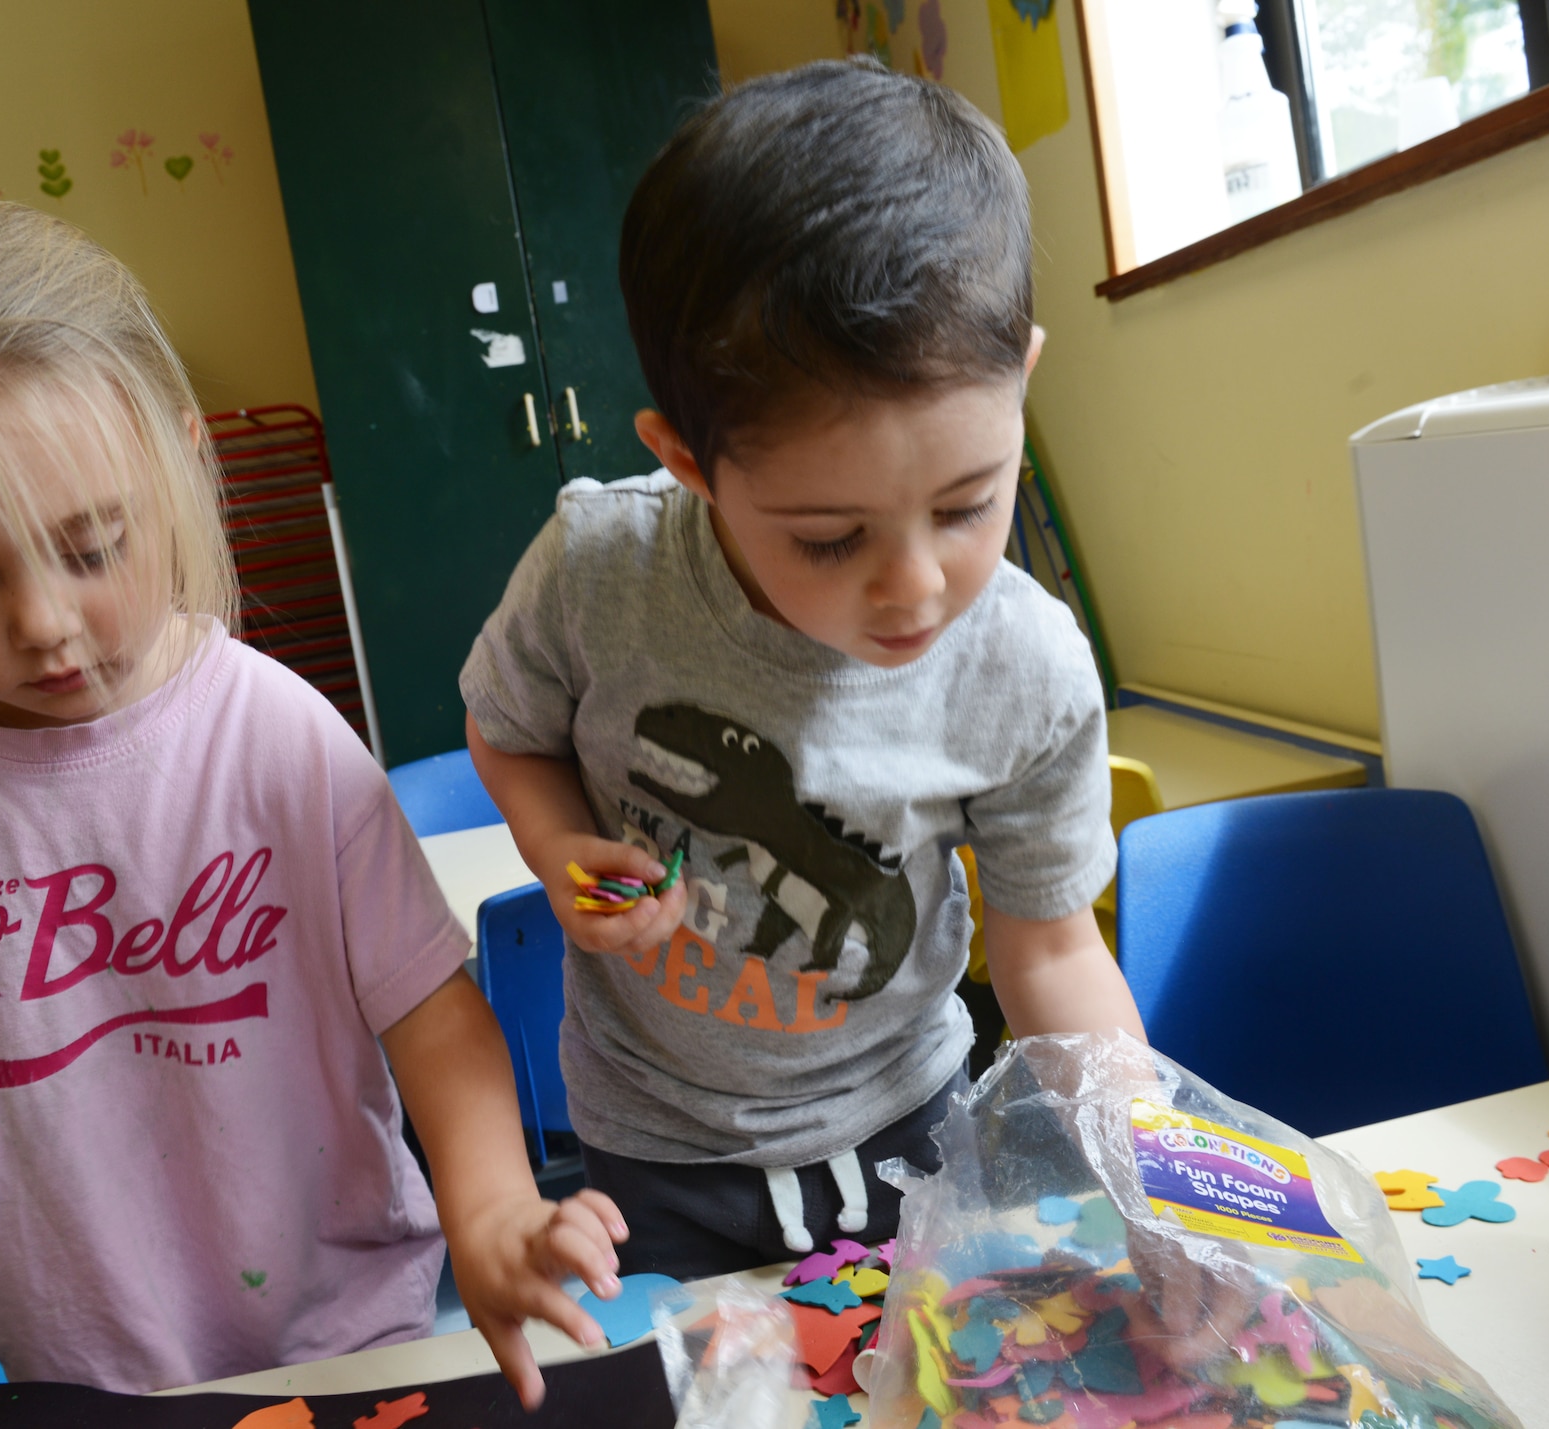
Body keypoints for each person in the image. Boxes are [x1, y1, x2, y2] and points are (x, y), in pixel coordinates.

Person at [0, 195, 623, 1424]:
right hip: (67, 1366)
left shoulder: (274, 735)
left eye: (90, 547)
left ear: (180, 457)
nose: (42, 623)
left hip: (339, 1338)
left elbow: (427, 1009)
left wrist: (493, 1213)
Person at [461, 60, 1147, 1278]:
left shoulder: (1026, 665)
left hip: (917, 1123)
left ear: (1022, 379)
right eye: (828, 537)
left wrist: (1151, 1182)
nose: (915, 587)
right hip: (656, 1153)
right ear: (685, 459)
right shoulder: (597, 568)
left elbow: (1047, 952)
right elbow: (508, 731)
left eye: (967, 503)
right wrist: (558, 846)